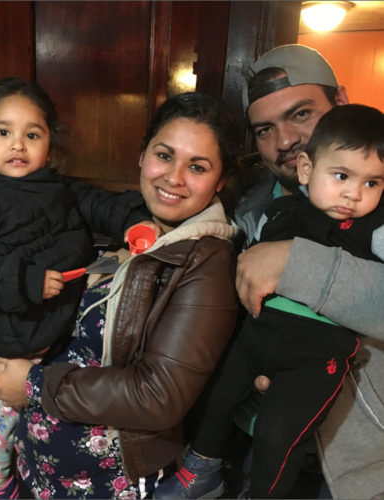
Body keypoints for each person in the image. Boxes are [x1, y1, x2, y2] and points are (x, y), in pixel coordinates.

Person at [0, 91, 241, 499]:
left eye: (198, 167)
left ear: (220, 180)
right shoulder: (108, 223)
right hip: (35, 468)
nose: (174, 177)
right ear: (142, 155)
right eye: (164, 155)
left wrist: (31, 385)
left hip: (110, 483)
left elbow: (159, 395)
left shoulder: (208, 262)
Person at [0, 77, 158, 500]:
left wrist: (135, 221)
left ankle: (7, 475)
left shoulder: (54, 185)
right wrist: (26, 279)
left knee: (33, 421)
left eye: (31, 134)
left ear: (48, 145)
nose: (17, 144)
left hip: (53, 331)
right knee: (16, 412)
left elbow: (100, 204)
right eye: (3, 132)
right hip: (10, 330)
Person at [157, 44, 384, 500]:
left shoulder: (374, 191)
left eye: (301, 113)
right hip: (248, 443)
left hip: (354, 469)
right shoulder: (247, 204)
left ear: (341, 101)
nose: (285, 140)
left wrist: (293, 263)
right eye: (265, 129)